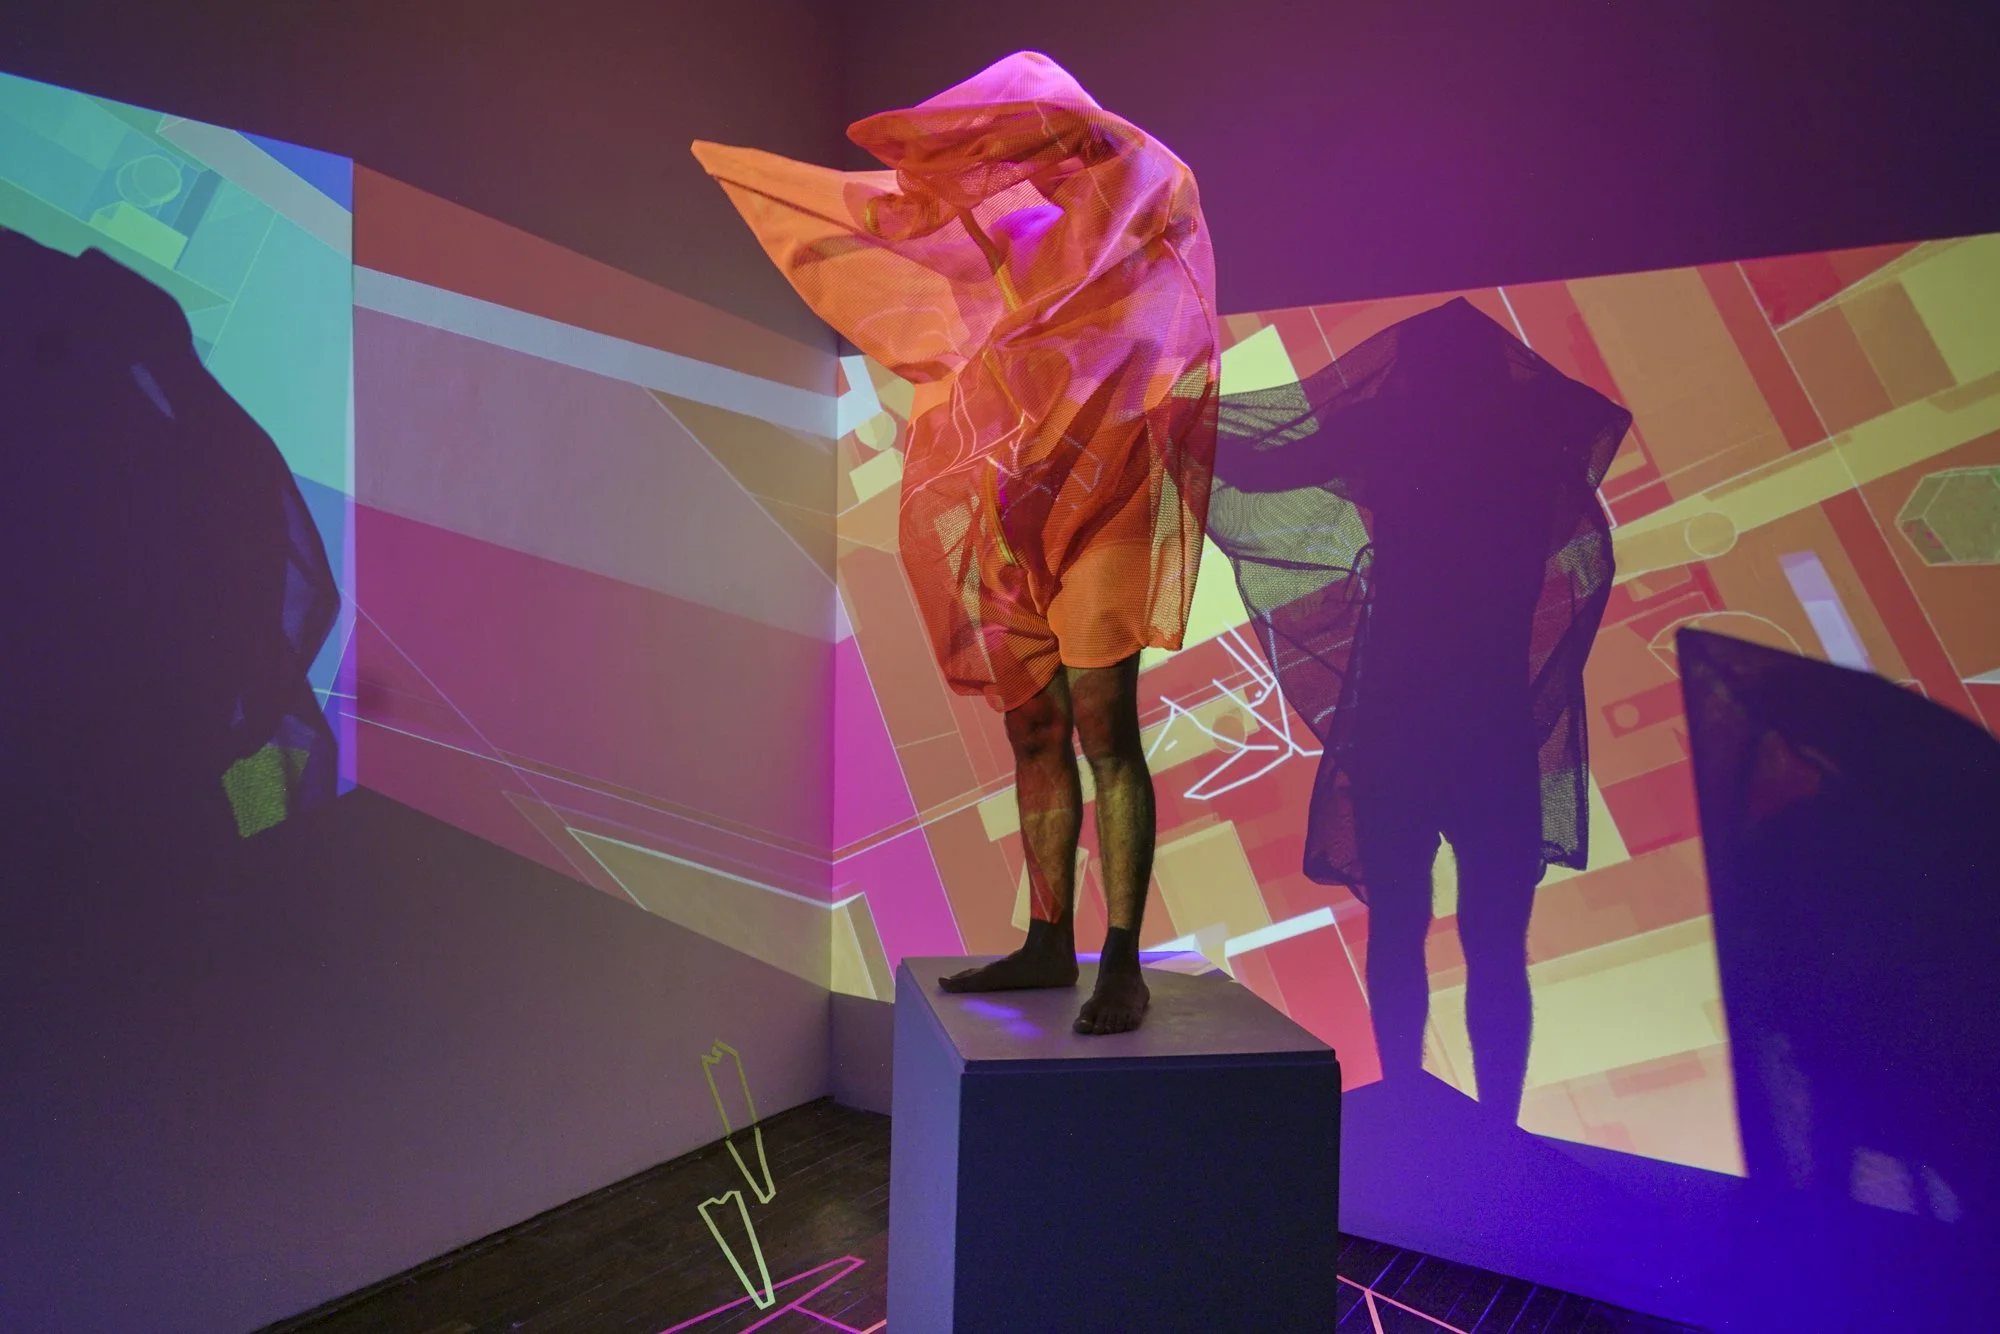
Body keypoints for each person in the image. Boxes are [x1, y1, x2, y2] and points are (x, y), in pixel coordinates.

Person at [694, 52, 1218, 1033]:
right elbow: (904, 235)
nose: (1004, 149)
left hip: (1108, 493)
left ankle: (1120, 959)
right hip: (1011, 495)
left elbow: (1142, 250)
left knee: (1104, 721)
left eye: (1022, 127)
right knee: (1032, 728)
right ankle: (1047, 937)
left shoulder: (1146, 190)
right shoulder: (1011, 225)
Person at [1208, 299, 1629, 1121]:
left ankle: (1406, 1101)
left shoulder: (1392, 431)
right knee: (1495, 941)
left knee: (1399, 924)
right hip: (1489, 719)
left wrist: (1161, 417)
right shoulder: (1533, 433)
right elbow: (1596, 422)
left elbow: (1255, 471)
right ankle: (1499, 1123)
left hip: (1401, 714)